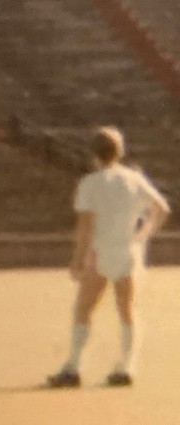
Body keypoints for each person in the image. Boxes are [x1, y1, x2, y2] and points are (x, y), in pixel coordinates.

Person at [48, 127, 170, 388]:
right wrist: (143, 234)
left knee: (84, 308)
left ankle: (74, 365)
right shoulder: (134, 179)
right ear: (120, 151)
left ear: (93, 153)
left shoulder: (90, 184)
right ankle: (127, 366)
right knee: (127, 309)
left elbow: (85, 226)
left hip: (99, 252)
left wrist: (77, 258)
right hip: (128, 251)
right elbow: (161, 208)